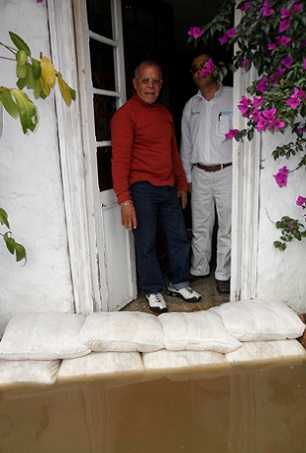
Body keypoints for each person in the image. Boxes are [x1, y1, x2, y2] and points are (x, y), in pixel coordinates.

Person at [111, 59, 201, 313]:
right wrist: (124, 200)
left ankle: (178, 282)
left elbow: (172, 153)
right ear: (135, 83)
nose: (151, 86)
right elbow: (119, 161)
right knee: (147, 243)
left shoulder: (164, 115)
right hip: (142, 190)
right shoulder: (125, 116)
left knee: (178, 238)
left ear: (161, 84)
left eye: (155, 81)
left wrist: (181, 184)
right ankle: (152, 289)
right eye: (145, 80)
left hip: (168, 189)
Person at [180, 49, 233, 294]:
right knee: (200, 225)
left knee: (227, 225)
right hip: (199, 173)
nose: (199, 71)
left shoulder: (233, 97)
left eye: (203, 65)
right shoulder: (191, 106)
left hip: (227, 172)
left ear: (213, 67)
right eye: (194, 68)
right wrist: (187, 179)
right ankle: (199, 268)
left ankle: (224, 273)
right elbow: (186, 145)